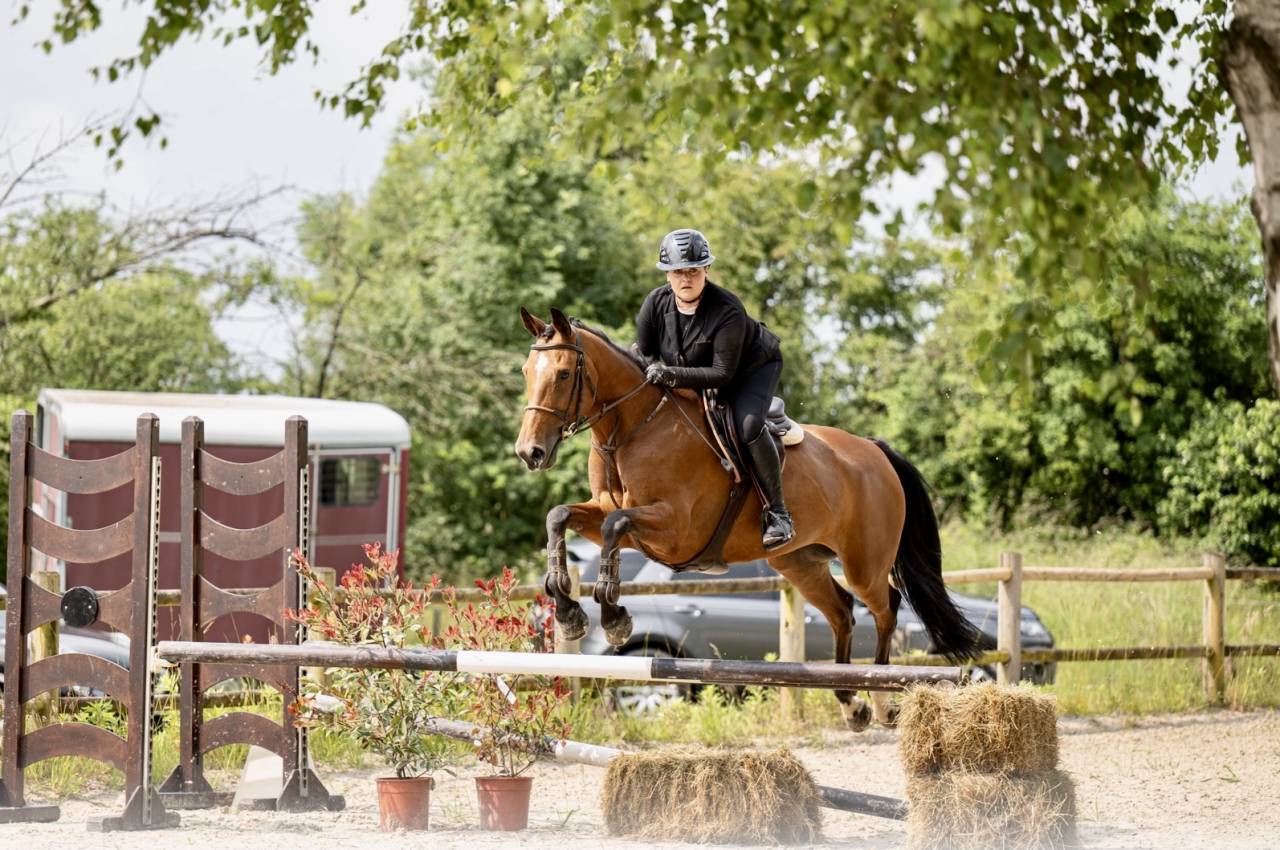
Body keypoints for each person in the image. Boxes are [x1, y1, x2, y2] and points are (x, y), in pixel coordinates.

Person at [634, 228, 795, 550]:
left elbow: (722, 374)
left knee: (747, 426)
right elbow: (645, 351)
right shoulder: (655, 303)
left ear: (706, 270)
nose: (686, 278)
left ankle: (779, 514)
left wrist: (669, 375)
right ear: (668, 275)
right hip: (692, 372)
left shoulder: (727, 310)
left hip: (750, 369)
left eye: (693, 270)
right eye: (678, 272)